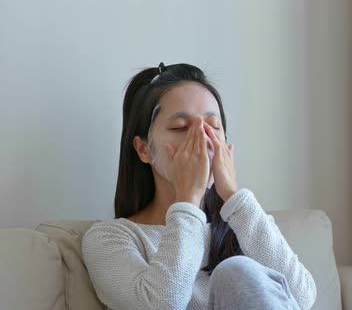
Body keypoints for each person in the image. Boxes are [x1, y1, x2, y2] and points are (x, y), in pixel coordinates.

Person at [81, 63, 317, 310]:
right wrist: (188, 198)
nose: (202, 139)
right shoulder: (109, 239)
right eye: (181, 128)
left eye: (213, 127)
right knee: (234, 272)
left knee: (237, 272)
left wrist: (234, 198)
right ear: (143, 149)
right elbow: (163, 305)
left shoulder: (244, 223)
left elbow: (301, 298)